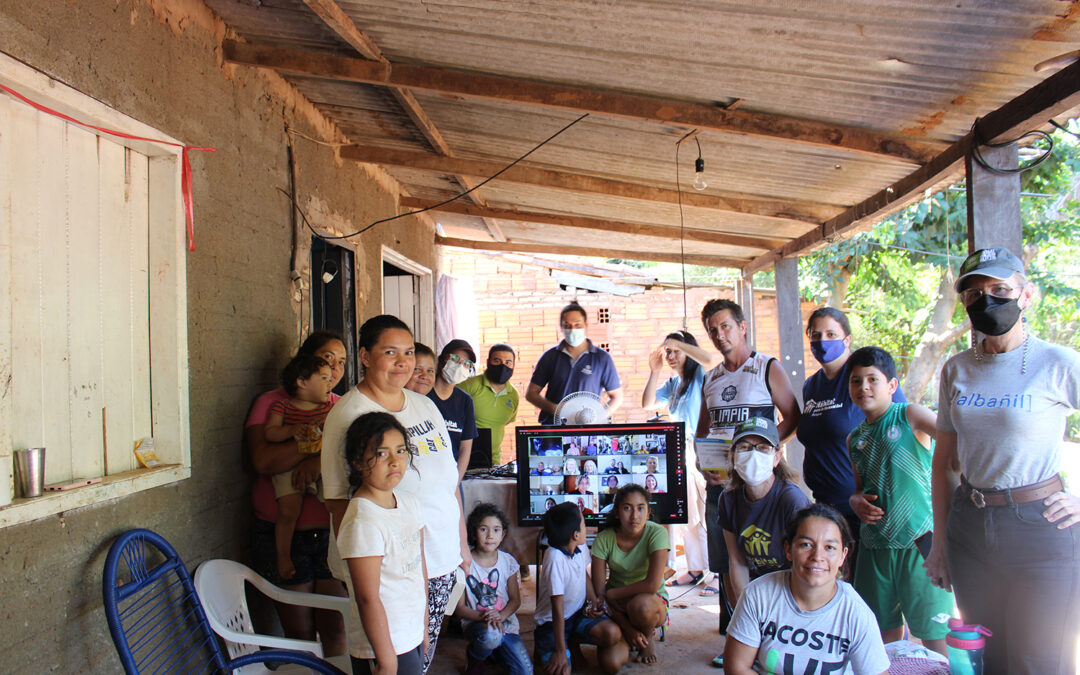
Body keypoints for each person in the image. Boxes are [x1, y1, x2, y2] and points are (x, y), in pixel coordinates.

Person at [924, 247, 1080, 674]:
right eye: (975, 294)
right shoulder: (956, 369)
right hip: (970, 529)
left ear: (1026, 295)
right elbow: (944, 465)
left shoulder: (1059, 363)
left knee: (1039, 662)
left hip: (1041, 529)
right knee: (986, 658)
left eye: (1000, 289)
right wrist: (939, 544)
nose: (987, 301)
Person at [322, 315, 467, 673]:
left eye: (407, 352)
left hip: (437, 560)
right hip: (391, 571)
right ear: (366, 357)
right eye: (390, 352)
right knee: (390, 661)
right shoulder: (350, 414)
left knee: (418, 660)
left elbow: (447, 479)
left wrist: (460, 543)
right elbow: (339, 500)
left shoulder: (423, 404)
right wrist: (359, 573)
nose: (403, 362)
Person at [694, 298, 801, 660]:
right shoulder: (711, 378)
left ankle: (780, 635)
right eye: (712, 330)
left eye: (725, 326)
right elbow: (702, 431)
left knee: (768, 558)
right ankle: (737, 640)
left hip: (759, 484)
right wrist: (702, 461)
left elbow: (792, 416)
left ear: (742, 326)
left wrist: (763, 453)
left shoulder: (766, 367)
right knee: (727, 563)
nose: (719, 335)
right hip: (722, 486)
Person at [245, 330, 348, 657]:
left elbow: (354, 464)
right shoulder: (272, 403)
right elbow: (263, 460)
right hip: (282, 533)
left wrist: (319, 461)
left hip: (330, 534)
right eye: (328, 359)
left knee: (336, 627)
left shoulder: (343, 408)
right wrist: (316, 446)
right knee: (299, 631)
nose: (335, 370)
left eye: (342, 363)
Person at [846, 347, 952, 656]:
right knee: (882, 635)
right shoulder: (854, 438)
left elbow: (954, 445)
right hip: (875, 546)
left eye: (872, 379)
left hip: (922, 544)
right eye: (855, 381)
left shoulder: (911, 415)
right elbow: (858, 489)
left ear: (892, 385)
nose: (863, 387)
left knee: (935, 633)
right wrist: (855, 501)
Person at [723, 504, 890, 674]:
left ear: (843, 556)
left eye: (830, 547)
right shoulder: (758, 595)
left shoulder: (856, 613)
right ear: (788, 549)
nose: (817, 557)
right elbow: (737, 668)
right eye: (806, 545)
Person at [796, 307, 905, 564]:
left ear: (848, 340)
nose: (822, 341)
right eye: (815, 334)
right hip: (825, 507)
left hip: (865, 509)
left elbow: (901, 427)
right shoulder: (811, 385)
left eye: (831, 333)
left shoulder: (865, 377)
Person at [337, 412, 427, 675]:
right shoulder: (363, 521)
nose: (395, 461)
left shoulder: (409, 503)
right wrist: (386, 661)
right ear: (357, 461)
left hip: (410, 634)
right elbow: (367, 598)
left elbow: (418, 571)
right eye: (381, 453)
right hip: (382, 648)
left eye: (400, 450)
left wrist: (423, 628)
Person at [643, 331, 720, 586]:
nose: (671, 356)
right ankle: (696, 568)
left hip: (703, 450)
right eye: (668, 351)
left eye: (676, 351)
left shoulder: (701, 376)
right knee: (687, 515)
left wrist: (680, 344)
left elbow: (709, 359)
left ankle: (715, 573)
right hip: (681, 452)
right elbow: (647, 403)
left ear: (689, 351)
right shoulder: (674, 385)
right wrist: (654, 370)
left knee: (708, 512)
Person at [718, 417, 811, 604]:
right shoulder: (728, 500)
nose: (753, 454)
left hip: (792, 587)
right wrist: (745, 611)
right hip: (757, 587)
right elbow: (737, 561)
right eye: (744, 447)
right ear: (733, 455)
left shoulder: (792, 501)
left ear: (776, 458)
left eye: (762, 448)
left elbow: (806, 563)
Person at [264, 354, 336, 581]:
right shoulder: (282, 407)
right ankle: (283, 555)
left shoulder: (330, 409)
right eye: (323, 378)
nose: (330, 383)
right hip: (289, 466)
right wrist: (292, 430)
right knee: (287, 510)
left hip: (323, 465)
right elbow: (270, 433)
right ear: (302, 382)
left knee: (336, 503)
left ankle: (339, 550)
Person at [534, 502, 627, 675]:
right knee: (563, 671)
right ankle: (556, 649)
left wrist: (593, 603)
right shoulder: (554, 558)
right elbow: (557, 609)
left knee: (611, 633)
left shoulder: (579, 546)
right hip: (552, 625)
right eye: (584, 524)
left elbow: (583, 575)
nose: (586, 527)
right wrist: (560, 652)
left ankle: (571, 644)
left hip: (575, 616)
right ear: (575, 534)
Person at [591, 484, 670, 666]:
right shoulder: (604, 539)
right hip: (616, 608)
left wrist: (613, 593)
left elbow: (651, 585)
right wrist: (626, 629)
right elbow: (601, 594)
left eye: (641, 508)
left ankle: (647, 638)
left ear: (648, 512)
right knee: (611, 664)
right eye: (627, 508)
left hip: (650, 603)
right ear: (617, 512)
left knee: (641, 605)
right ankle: (633, 634)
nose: (635, 516)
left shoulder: (657, 533)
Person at [456, 503, 531, 675]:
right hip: (478, 626)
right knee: (491, 636)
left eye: (496, 530)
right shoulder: (463, 563)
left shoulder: (508, 561)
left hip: (507, 625)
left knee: (525, 672)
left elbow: (515, 600)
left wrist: (501, 615)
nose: (490, 535)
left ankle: (493, 653)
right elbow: (458, 608)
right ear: (473, 532)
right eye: (483, 529)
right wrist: (484, 617)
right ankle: (476, 656)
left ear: (503, 534)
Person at [527, 302, 623, 424]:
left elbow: (617, 397)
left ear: (586, 325)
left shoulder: (602, 358)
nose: (572, 329)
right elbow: (531, 394)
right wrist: (556, 410)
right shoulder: (550, 357)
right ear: (561, 327)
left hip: (587, 430)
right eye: (567, 325)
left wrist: (597, 418)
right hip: (554, 428)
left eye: (577, 325)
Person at [408, 340, 479, 481]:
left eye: (467, 364)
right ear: (442, 360)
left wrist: (455, 482)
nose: (460, 366)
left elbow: (465, 449)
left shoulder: (465, 401)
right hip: (420, 476)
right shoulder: (422, 393)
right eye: (455, 359)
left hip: (450, 477)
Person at [459, 344, 520, 465]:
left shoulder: (513, 395)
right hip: (463, 457)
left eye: (508, 362)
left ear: (513, 366)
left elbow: (505, 422)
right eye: (497, 361)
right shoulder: (470, 385)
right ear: (488, 362)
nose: (503, 366)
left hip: (493, 461)